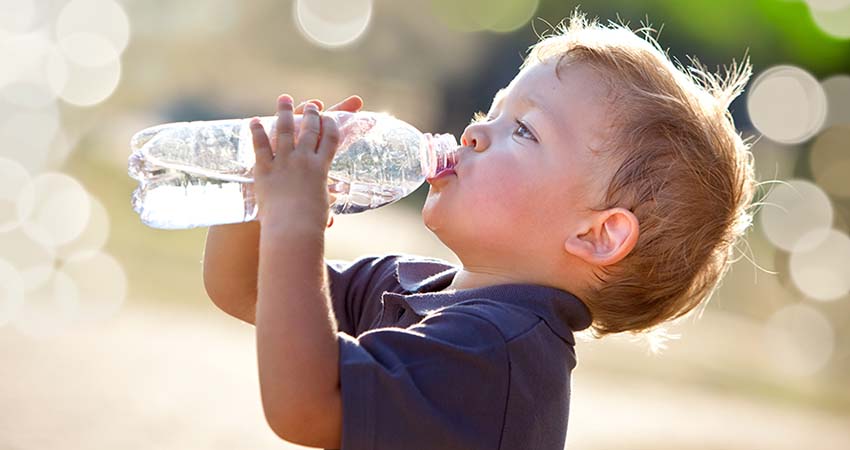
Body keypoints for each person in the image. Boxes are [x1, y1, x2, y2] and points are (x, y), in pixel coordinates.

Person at [202, 9, 756, 450]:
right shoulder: (416, 287)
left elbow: (305, 407)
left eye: (522, 130)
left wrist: (297, 225)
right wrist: (261, 194)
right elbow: (246, 285)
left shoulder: (498, 354)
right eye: (490, 111)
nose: (473, 133)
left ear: (596, 235)